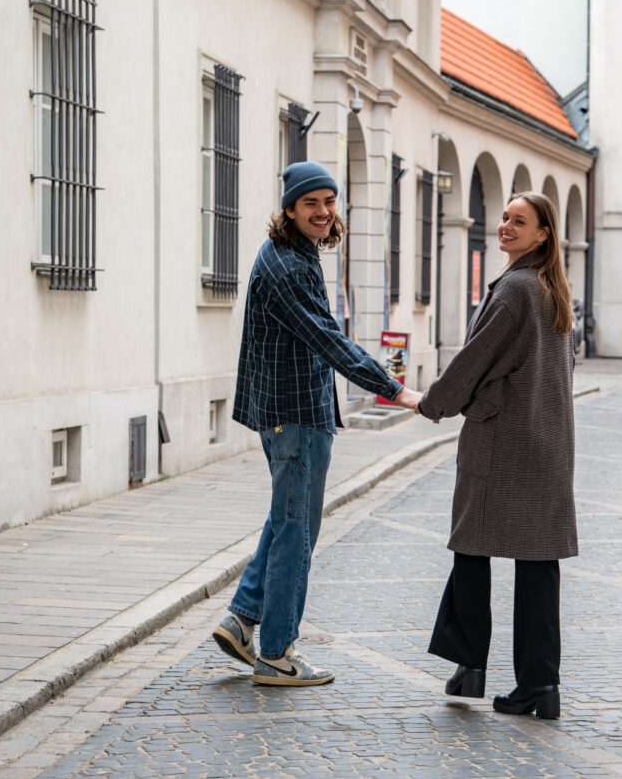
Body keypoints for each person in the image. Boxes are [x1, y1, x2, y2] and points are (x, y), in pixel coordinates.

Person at [213, 161, 421, 686]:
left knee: (289, 522)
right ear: (289, 209)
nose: (324, 212)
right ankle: (277, 654)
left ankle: (241, 620)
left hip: (298, 413)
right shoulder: (285, 267)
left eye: (330, 201)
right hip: (295, 419)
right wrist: (395, 389)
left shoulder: (297, 255)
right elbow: (327, 338)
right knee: (296, 534)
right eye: (312, 203)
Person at [416, 191, 578, 719]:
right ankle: (540, 686)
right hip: (548, 444)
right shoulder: (553, 291)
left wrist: (434, 403)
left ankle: (470, 666)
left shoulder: (513, 289)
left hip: (499, 442)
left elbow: (473, 360)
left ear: (542, 235)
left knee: (471, 547)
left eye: (519, 221)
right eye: (505, 217)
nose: (506, 226)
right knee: (538, 564)